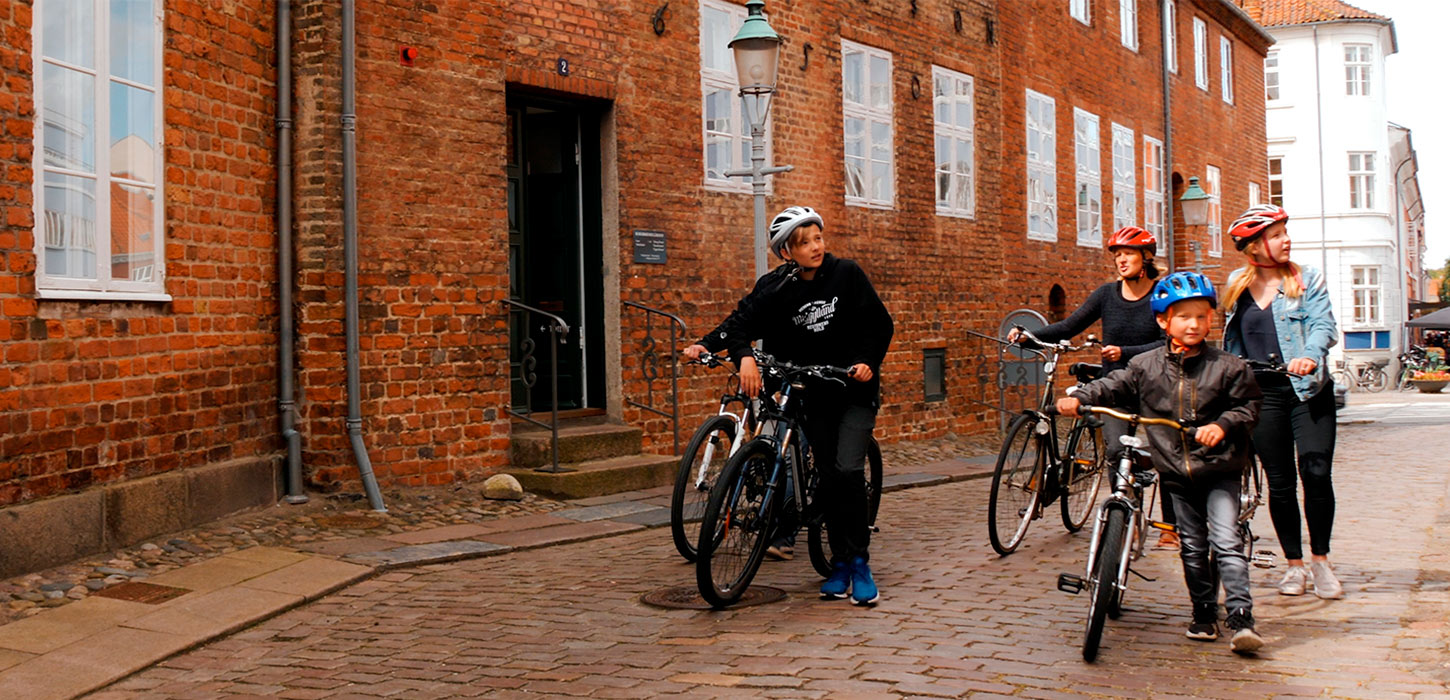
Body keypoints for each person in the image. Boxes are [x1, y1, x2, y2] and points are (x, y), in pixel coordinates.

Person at [683, 205, 894, 606]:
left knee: (848, 470)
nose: (816, 247)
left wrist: (868, 361)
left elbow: (880, 325)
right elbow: (740, 321)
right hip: (812, 394)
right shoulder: (778, 286)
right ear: (787, 253)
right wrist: (721, 348)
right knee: (830, 476)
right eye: (804, 242)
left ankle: (860, 563)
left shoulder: (846, 274)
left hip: (851, 390)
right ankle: (840, 564)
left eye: (817, 237)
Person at [1056, 271, 1265, 654]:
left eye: (1202, 316)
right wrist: (1081, 397)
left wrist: (1222, 424)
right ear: (1163, 321)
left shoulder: (1228, 366)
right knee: (1191, 544)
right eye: (1184, 316)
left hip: (1219, 468)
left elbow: (1248, 406)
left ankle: (1240, 617)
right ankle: (1203, 613)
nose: (1194, 324)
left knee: (1225, 540)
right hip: (1175, 470)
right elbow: (1113, 385)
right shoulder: (1146, 366)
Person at [1009, 226, 1178, 548]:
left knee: (1166, 452)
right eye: (1117, 256)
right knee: (1115, 451)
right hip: (1116, 386)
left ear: (1145, 257)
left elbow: (1167, 341)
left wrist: (1124, 352)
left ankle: (1170, 527)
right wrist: (1030, 335)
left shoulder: (1160, 294)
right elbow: (1070, 326)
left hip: (1157, 384)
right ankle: (1124, 520)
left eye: (1128, 254)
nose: (1121, 261)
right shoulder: (1106, 295)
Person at [1221, 204, 1343, 600]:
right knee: (1281, 483)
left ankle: (1321, 561)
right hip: (1263, 395)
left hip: (1308, 391)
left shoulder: (1306, 280)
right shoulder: (1237, 285)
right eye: (1275, 234)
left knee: (1316, 472)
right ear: (1254, 246)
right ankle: (1294, 566)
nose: (1285, 239)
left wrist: (1309, 354)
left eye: (1284, 232)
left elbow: (1324, 324)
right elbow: (1230, 341)